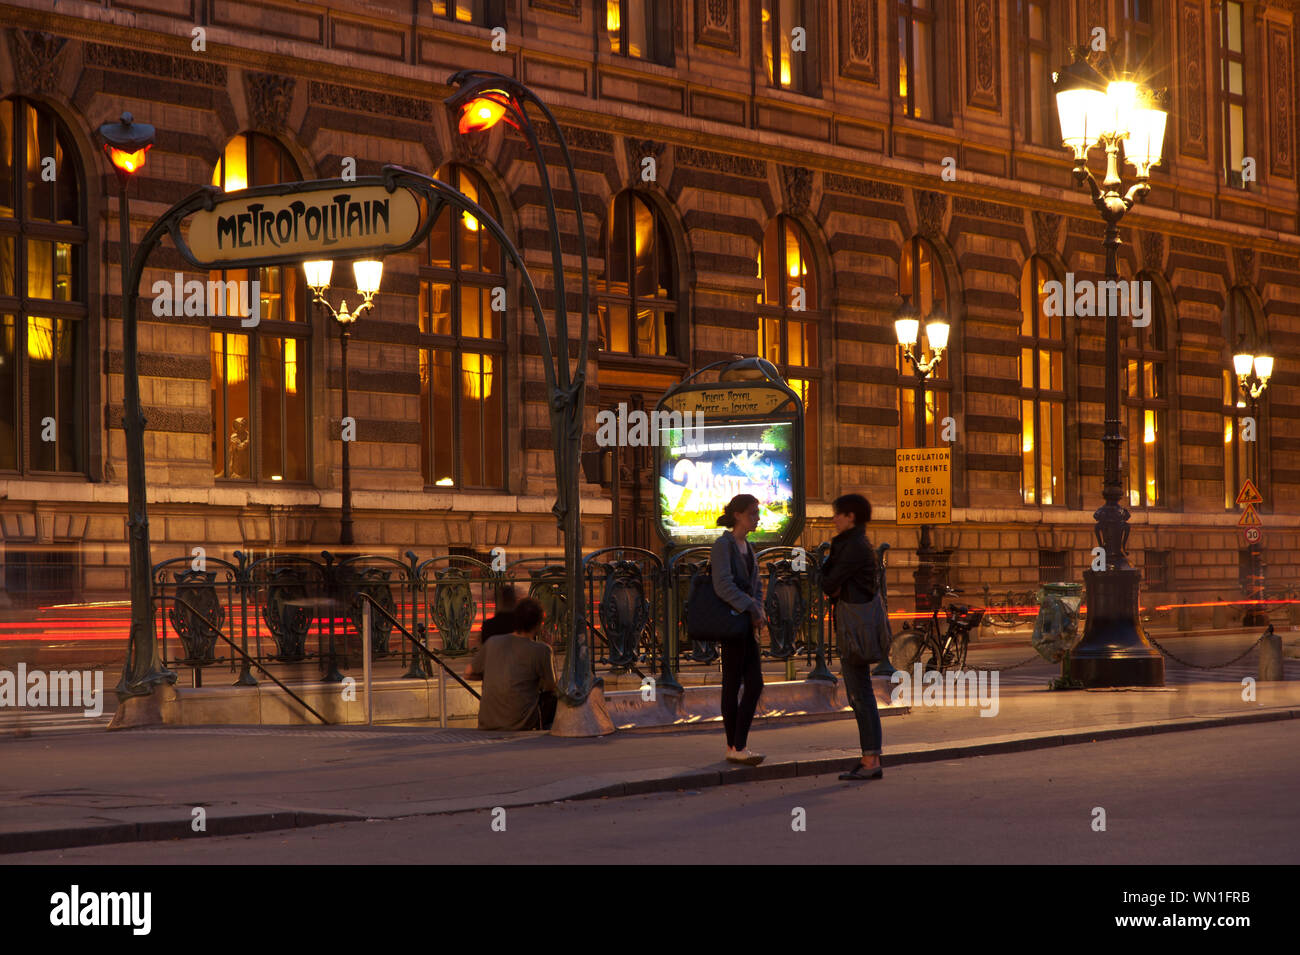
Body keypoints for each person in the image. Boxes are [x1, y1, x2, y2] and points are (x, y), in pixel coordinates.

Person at [821, 493, 885, 781]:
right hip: (854, 624)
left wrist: (832, 583)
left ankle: (871, 760)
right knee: (860, 693)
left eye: (839, 513)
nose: (834, 518)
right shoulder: (855, 544)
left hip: (854, 627)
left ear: (852, 517)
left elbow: (828, 582)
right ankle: (869, 757)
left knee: (860, 694)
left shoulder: (853, 547)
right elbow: (831, 584)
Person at [710, 493, 767, 765]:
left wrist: (759, 609)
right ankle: (735, 746)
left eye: (757, 512)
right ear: (738, 515)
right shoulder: (724, 545)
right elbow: (722, 584)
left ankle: (737, 745)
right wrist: (751, 608)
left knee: (753, 684)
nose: (757, 517)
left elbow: (755, 584)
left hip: (746, 623)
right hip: (732, 622)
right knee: (733, 684)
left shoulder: (748, 546)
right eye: (753, 513)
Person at [466, 597, 558, 731]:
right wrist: (551, 648)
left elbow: (468, 673)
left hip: (487, 723)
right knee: (554, 698)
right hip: (519, 724)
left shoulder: (492, 642)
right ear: (539, 624)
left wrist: (493, 675)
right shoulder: (542, 650)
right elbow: (551, 686)